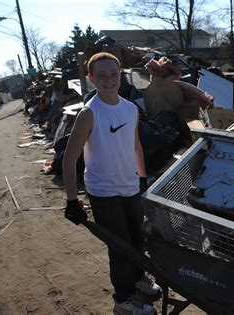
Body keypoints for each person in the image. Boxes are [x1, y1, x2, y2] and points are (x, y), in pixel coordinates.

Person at [62, 52, 161, 315]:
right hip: (103, 191)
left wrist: (143, 179)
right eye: (101, 75)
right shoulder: (89, 113)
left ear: (121, 75)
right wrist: (72, 200)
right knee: (119, 246)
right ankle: (124, 299)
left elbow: (135, 145)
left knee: (138, 239)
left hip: (130, 186)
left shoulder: (130, 109)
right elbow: (69, 159)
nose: (109, 80)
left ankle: (138, 278)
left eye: (113, 74)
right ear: (92, 79)